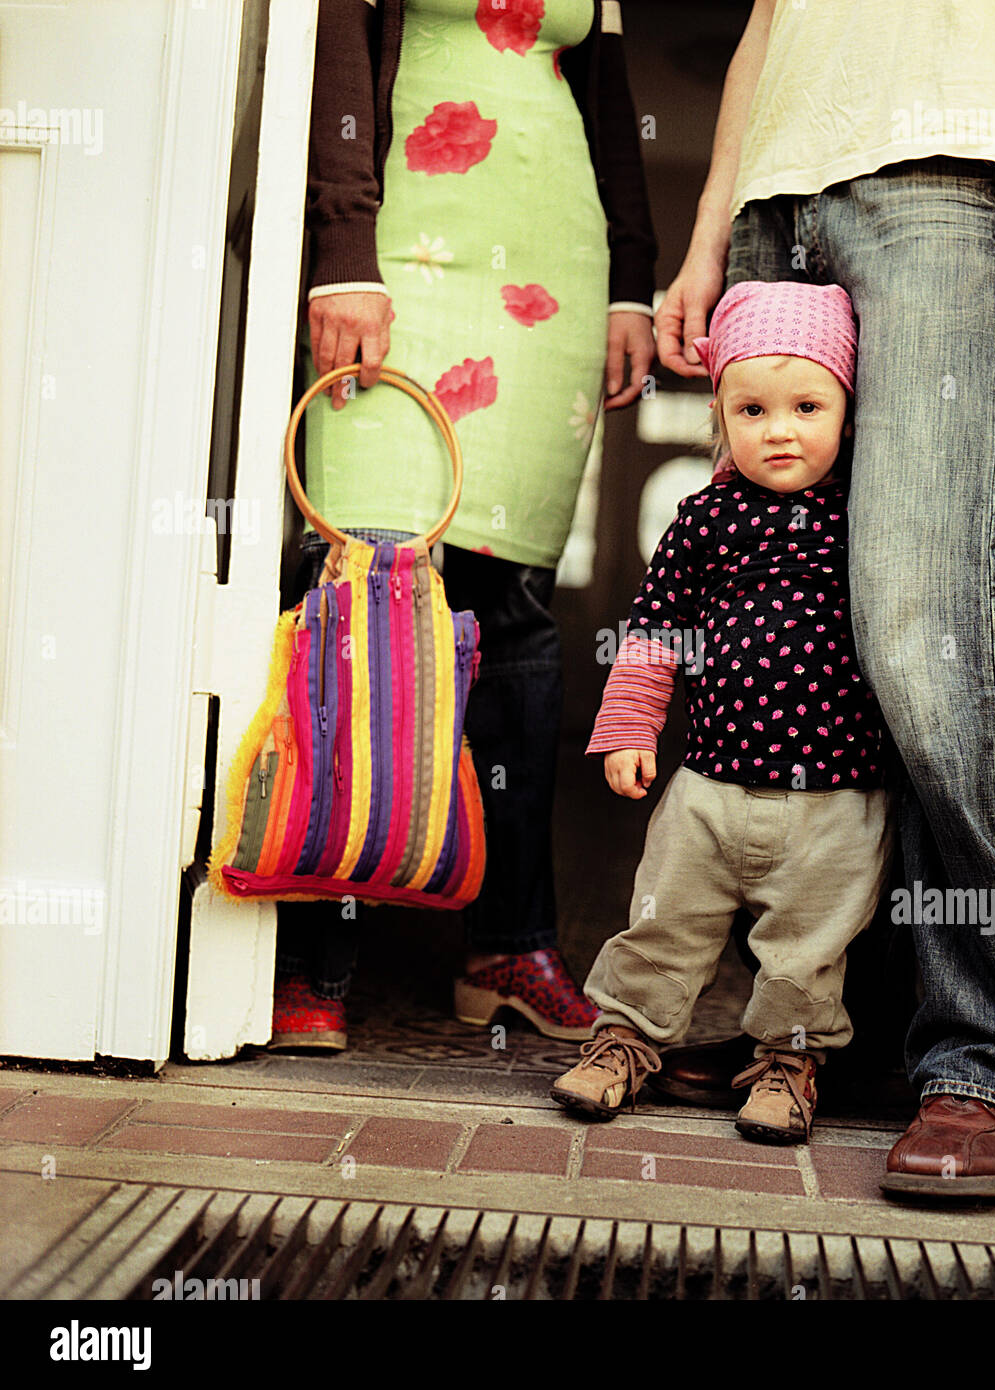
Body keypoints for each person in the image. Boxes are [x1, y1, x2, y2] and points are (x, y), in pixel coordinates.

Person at [653, 0, 995, 1197]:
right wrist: (713, 225)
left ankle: (992, 1055)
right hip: (778, 202)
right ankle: (838, 1029)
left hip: (940, 164)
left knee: (936, 618)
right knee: (814, 636)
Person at [271, 0, 657, 1049]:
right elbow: (338, 54)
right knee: (362, 588)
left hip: (550, 270)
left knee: (515, 610)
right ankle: (312, 956)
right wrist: (343, 243)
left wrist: (632, 281)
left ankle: (509, 946)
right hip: (401, 251)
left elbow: (610, 108)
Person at [550, 280, 896, 1144]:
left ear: (848, 415)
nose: (779, 429)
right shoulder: (705, 519)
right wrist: (631, 728)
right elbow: (658, 628)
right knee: (663, 921)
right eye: (752, 409)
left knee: (807, 955)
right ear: (722, 418)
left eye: (807, 405)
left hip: (836, 799)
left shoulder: (869, 520)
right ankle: (624, 1038)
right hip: (707, 785)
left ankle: (787, 1061)